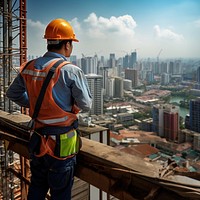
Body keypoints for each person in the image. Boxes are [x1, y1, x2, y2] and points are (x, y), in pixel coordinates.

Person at [6, 18, 92, 200]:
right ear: (67, 45)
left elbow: (13, 94)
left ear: (49, 42)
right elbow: (86, 104)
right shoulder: (70, 70)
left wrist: (35, 104)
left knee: (37, 187)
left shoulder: (29, 67)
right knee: (60, 193)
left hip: (37, 140)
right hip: (62, 144)